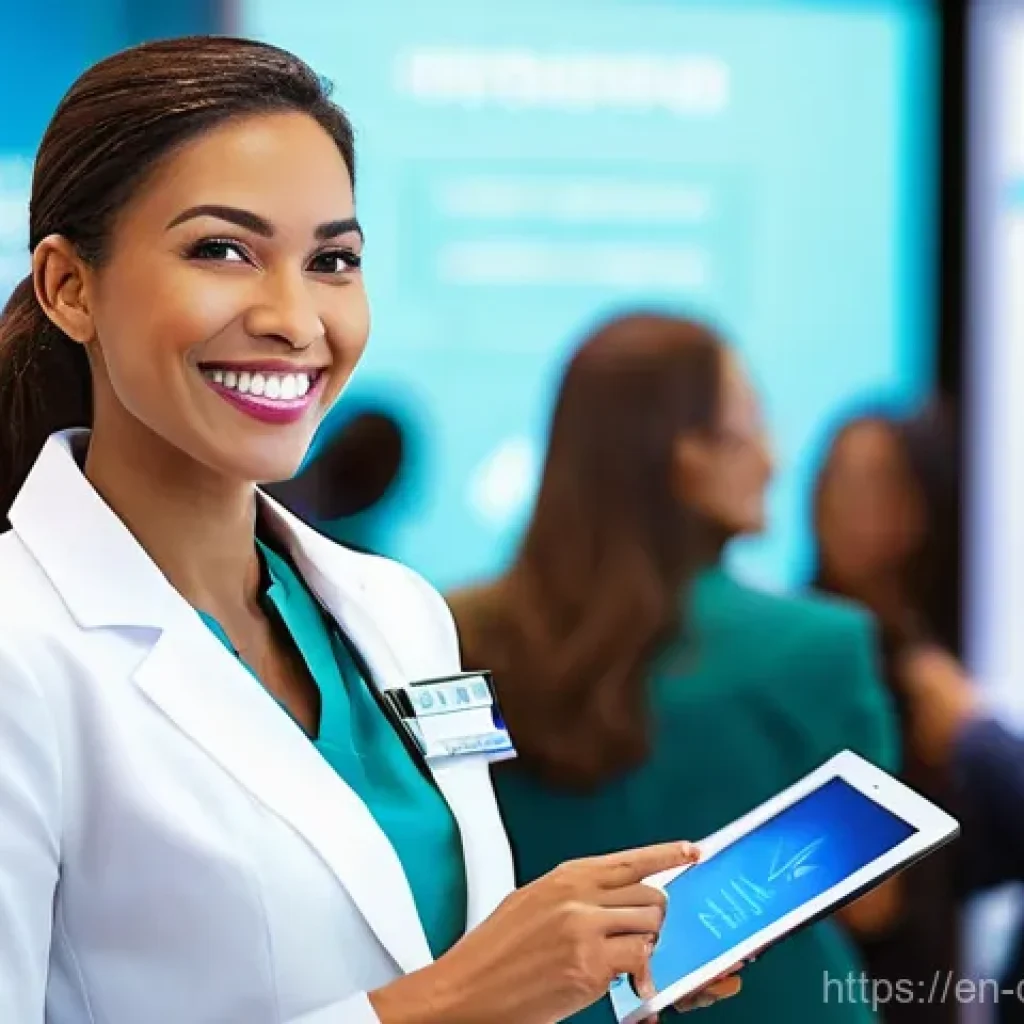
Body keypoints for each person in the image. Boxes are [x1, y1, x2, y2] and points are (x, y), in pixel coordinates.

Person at [0, 38, 740, 1023]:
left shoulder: (398, 612)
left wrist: (569, 968)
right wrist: (451, 1001)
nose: (295, 318)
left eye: (332, 260)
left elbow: (419, 938)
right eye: (222, 250)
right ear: (69, 288)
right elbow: (441, 995)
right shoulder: (20, 649)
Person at [448, 313, 900, 1024]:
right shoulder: (823, 646)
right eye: (752, 426)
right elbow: (873, 902)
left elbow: (443, 868)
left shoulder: (450, 636)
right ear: (687, 457)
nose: (775, 460)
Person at [811, 405, 962, 1024]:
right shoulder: (803, 653)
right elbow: (869, 902)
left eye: (875, 483)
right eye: (835, 479)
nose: (845, 504)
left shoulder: (952, 675)